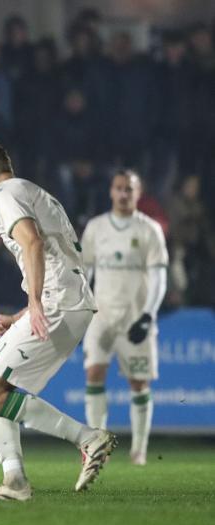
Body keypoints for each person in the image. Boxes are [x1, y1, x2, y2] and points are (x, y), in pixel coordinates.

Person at [0, 139, 115, 501]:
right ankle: (14, 479)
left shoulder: (3, 195)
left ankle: (89, 438)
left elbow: (31, 243)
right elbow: (57, 255)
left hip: (59, 305)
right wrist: (21, 313)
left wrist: (32, 302)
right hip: (64, 300)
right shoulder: (32, 191)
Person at [81, 170, 168, 466]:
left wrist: (147, 315)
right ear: (110, 191)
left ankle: (139, 450)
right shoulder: (95, 228)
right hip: (102, 315)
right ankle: (98, 446)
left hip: (134, 317)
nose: (123, 194)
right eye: (119, 188)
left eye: (129, 189)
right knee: (93, 373)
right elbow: (85, 272)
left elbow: (159, 276)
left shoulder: (149, 230)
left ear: (138, 192)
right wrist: (83, 305)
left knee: (139, 382)